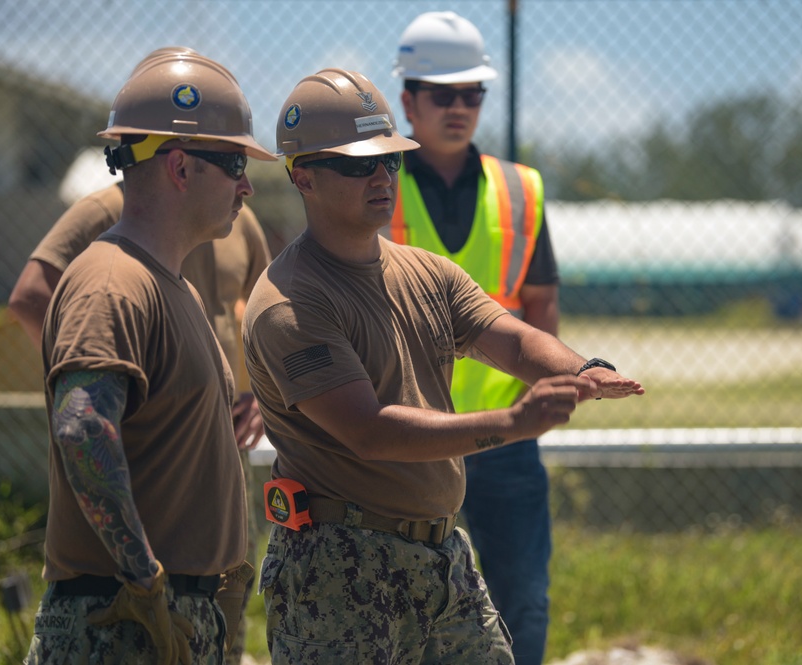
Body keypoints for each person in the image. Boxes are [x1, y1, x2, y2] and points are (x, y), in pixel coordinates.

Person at [243, 67, 643, 664]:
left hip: (438, 557)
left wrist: (583, 369)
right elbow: (370, 431)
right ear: (304, 177)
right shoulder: (290, 301)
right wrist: (510, 424)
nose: (382, 176)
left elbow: (508, 339)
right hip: (339, 571)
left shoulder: (425, 273)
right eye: (358, 165)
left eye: (391, 161)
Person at [24, 50, 276, 665]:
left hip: (166, 618)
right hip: (119, 623)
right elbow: (83, 425)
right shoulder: (111, 282)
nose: (246, 184)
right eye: (235, 163)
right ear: (182, 167)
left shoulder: (171, 284)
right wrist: (144, 582)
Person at [387, 11, 559, 664]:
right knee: (412, 606)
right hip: (411, 436)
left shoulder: (521, 190)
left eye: (473, 93)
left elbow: (540, 304)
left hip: (504, 432)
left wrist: (535, 402)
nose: (460, 107)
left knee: (522, 600)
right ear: (408, 99)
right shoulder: (376, 182)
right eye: (442, 94)